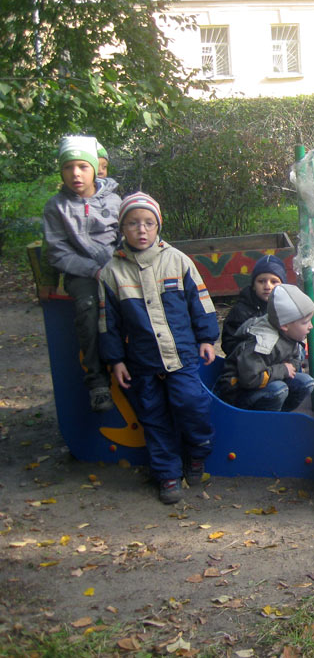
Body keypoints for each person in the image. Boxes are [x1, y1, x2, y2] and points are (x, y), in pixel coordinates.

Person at [98, 192, 219, 504]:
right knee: (153, 416)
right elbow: (107, 322)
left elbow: (200, 301)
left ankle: (197, 452)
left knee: (191, 404)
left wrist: (207, 338)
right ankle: (167, 473)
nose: (141, 229)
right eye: (133, 223)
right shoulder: (112, 272)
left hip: (181, 354)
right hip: (142, 360)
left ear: (158, 227)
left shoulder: (177, 261)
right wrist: (116, 360)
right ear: (122, 228)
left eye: (148, 223)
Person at [42, 135, 121, 412]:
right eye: (68, 167)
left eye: (83, 166)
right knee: (88, 308)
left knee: (138, 305)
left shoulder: (114, 201)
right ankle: (97, 382)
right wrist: (93, 271)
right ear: (61, 171)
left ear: (95, 169)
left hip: (116, 270)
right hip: (81, 275)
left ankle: (141, 367)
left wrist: (119, 267)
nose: (75, 173)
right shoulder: (56, 207)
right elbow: (57, 251)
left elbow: (125, 238)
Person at [214, 284, 314, 413]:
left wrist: (288, 367)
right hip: (239, 392)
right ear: (285, 325)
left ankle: (282, 414)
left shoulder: (289, 333)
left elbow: (294, 361)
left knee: (306, 382)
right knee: (278, 390)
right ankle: (265, 420)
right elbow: (250, 379)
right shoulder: (262, 343)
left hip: (268, 379)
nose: (311, 326)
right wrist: (283, 369)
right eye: (305, 322)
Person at [220, 254, 287, 355]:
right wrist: (251, 350)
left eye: (274, 282)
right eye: (261, 281)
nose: (267, 286)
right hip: (250, 360)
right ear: (254, 285)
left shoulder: (287, 308)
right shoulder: (241, 310)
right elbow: (229, 342)